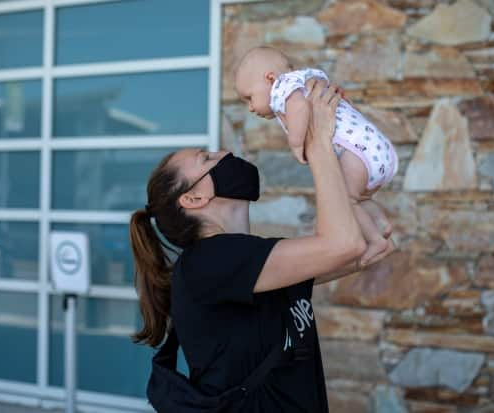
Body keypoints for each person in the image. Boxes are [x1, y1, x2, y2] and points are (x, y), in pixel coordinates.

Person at [129, 80, 394, 412]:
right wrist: (319, 143)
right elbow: (343, 244)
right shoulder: (209, 262)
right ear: (195, 198)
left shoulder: (252, 260)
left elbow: (370, 242)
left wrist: (352, 160)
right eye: (207, 158)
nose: (224, 154)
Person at [234, 46, 398, 266]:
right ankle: (381, 223)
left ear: (270, 78)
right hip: (375, 149)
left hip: (358, 151)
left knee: (346, 200)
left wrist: (295, 143)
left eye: (249, 97)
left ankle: (377, 240)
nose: (251, 108)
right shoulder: (309, 78)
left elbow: (300, 108)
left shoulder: (284, 87)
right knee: (360, 198)